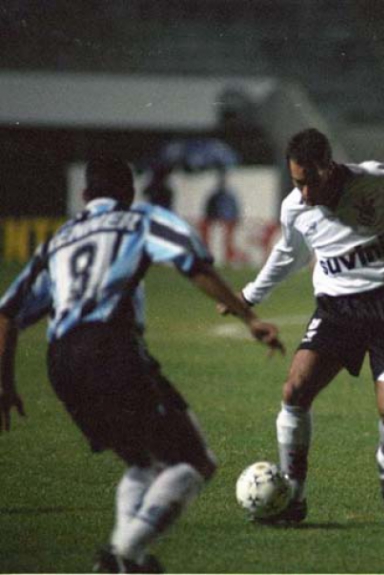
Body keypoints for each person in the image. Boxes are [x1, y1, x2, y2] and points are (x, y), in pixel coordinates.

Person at [0, 157, 284, 572]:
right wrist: (249, 317)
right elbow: (191, 261)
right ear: (129, 192)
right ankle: (123, 555)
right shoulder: (139, 218)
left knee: (142, 463)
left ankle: (123, 559)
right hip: (110, 349)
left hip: (60, 362)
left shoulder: (58, 240)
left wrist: (5, 382)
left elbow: (8, 311)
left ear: (84, 196)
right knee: (193, 463)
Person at [228, 128, 384, 523]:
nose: (304, 193)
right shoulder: (296, 208)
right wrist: (250, 295)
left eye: (311, 181)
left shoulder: (376, 179)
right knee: (295, 389)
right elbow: (288, 253)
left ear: (329, 166)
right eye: (297, 182)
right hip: (335, 310)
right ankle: (294, 497)